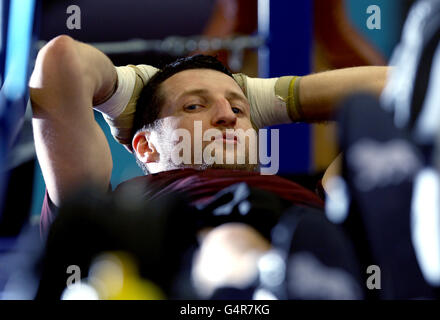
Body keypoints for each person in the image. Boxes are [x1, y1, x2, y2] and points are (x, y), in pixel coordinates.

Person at [29, 35, 389, 298]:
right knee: (228, 233)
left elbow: (400, 92)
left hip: (330, 254)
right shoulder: (112, 214)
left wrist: (275, 98)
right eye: (193, 107)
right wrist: (123, 92)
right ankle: (270, 279)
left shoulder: (318, 201)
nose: (227, 117)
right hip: (163, 277)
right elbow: (64, 62)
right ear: (146, 147)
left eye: (238, 110)